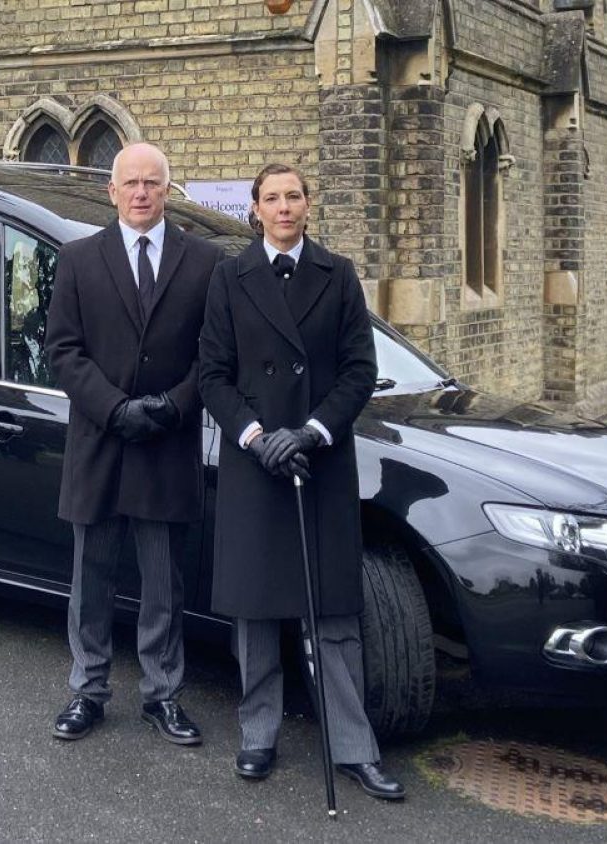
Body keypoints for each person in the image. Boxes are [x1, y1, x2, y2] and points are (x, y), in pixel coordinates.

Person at [197, 163, 405, 800]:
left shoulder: (337, 275)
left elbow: (358, 371)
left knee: (332, 609)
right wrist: (259, 436)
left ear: (308, 206)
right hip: (255, 463)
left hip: (319, 462)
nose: (284, 208)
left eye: (294, 197)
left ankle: (353, 745)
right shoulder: (229, 277)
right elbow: (212, 375)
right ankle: (258, 733)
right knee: (255, 610)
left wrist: (311, 431)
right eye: (272, 199)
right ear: (255, 209)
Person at [44, 142, 224, 745]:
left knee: (163, 583)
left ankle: (163, 695)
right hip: (99, 441)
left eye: (153, 183)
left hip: (167, 443)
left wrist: (173, 406)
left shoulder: (203, 263)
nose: (142, 192)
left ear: (168, 192)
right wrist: (114, 408)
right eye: (131, 183)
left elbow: (212, 355)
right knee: (90, 578)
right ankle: (88, 690)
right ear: (111, 191)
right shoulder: (77, 259)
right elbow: (63, 352)